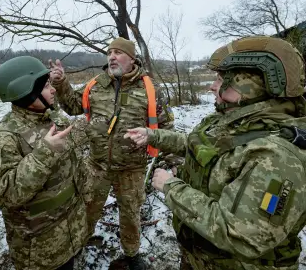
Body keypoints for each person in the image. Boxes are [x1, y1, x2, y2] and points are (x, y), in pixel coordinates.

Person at [125, 36, 306, 269]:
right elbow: (199, 145)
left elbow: (242, 234)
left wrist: (171, 187)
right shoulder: (234, 118)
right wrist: (153, 136)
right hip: (199, 256)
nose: (212, 86)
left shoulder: (278, 157)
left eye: (220, 79)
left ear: (249, 86)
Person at [49, 37, 174, 269]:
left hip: (132, 168)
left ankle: (132, 254)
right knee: (87, 208)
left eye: (118, 52)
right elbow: (73, 105)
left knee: (130, 214)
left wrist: (169, 162)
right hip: (96, 165)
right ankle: (78, 246)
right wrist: (61, 83)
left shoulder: (149, 89)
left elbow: (166, 129)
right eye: (109, 52)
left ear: (132, 59)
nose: (112, 56)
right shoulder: (96, 85)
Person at [0, 56, 88, 270]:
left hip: (71, 229)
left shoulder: (52, 116)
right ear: (27, 92)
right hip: (40, 248)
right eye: (47, 85)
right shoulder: (4, 138)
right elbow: (3, 195)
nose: (53, 90)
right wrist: (43, 155)